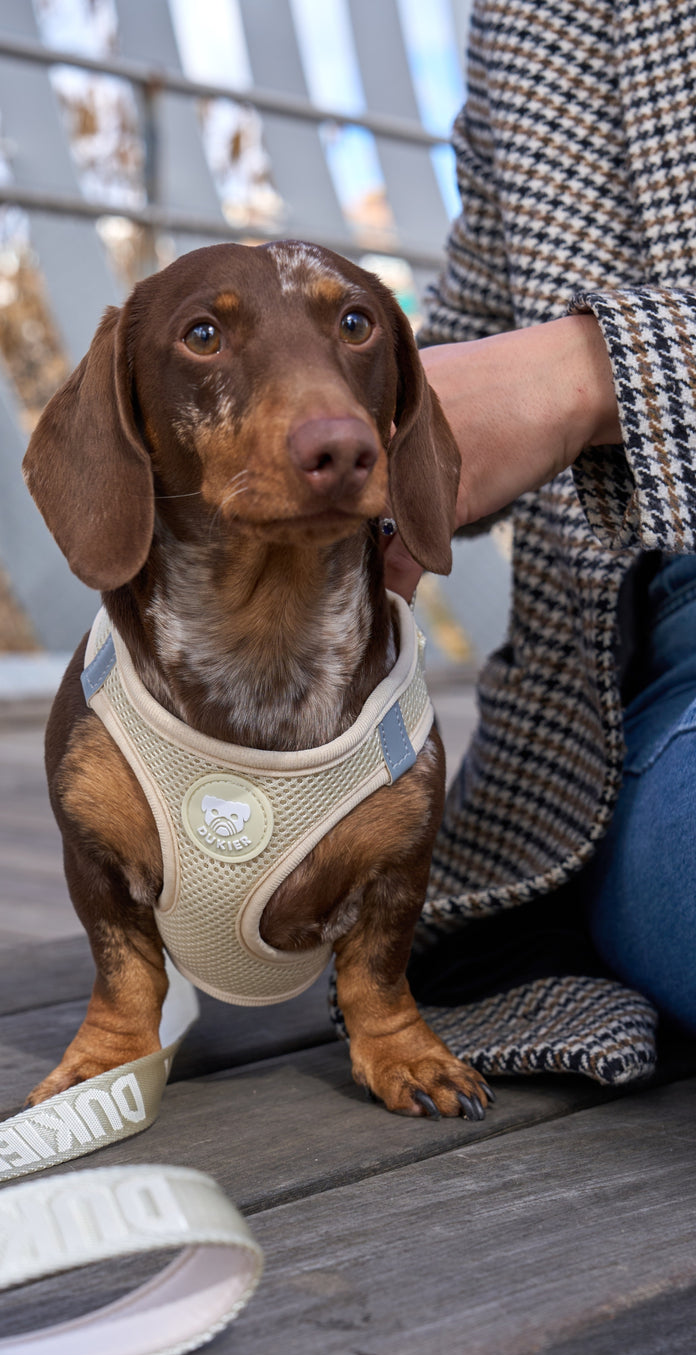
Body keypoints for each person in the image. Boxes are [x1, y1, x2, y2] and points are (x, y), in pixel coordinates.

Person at [376, 0, 696, 1074]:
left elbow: (534, 377)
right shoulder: (530, 18)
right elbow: (474, 357)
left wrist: (595, 372)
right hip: (650, 669)